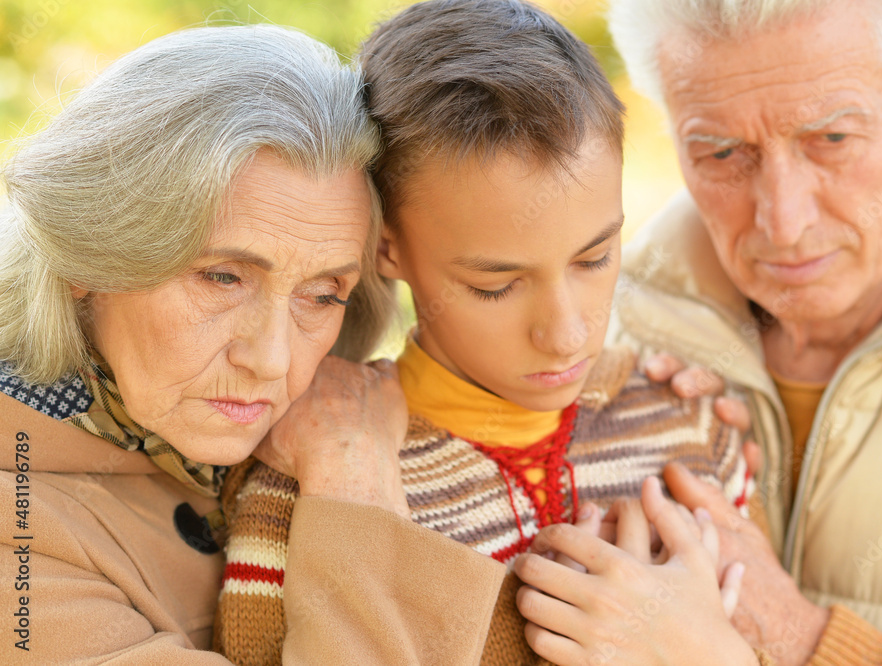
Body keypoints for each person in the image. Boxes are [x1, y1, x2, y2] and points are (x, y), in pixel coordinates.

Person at [214, 2, 770, 665]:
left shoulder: (690, 422)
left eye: (594, 259)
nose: (566, 334)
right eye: (495, 286)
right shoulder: (308, 474)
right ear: (384, 246)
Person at [0, 24, 507, 663]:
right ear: (86, 259)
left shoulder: (344, 414)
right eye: (222, 277)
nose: (271, 360)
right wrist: (354, 481)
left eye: (323, 294)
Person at [513, 0, 882, 663]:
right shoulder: (592, 344)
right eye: (721, 152)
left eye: (832, 139)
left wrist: (803, 641)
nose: (783, 221)